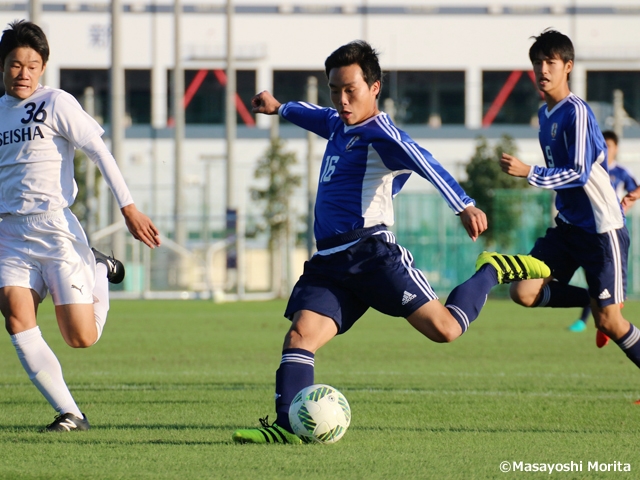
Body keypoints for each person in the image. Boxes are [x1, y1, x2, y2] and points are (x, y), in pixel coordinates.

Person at [231, 40, 549, 444]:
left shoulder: (382, 133)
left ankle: (492, 270)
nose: (342, 100)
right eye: (335, 90)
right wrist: (279, 107)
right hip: (330, 262)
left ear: (374, 87)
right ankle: (286, 426)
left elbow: (423, 160)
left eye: (351, 90)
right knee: (300, 337)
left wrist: (464, 204)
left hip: (371, 256)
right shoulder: (338, 124)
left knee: (446, 330)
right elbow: (315, 115)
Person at [0, 20, 161, 431]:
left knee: (81, 338)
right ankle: (71, 413)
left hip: (55, 229)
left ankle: (98, 269)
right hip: (10, 233)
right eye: (15, 64)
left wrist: (128, 208)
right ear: (2, 67)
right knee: (15, 314)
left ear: (44, 67)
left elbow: (99, 152)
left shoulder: (56, 103)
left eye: (32, 65)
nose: (23, 73)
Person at [499, 29, 640, 378]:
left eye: (550, 62)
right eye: (537, 63)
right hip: (568, 227)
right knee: (524, 291)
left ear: (567, 67)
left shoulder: (577, 112)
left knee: (612, 320)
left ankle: (600, 311)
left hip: (600, 230)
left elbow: (578, 173)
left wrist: (530, 172)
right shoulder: (545, 114)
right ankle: (591, 302)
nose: (543, 70)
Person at [567, 130, 636, 339]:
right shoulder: (591, 169)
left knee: (607, 280)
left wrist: (628, 202)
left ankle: (607, 319)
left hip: (612, 230)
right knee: (594, 279)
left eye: (610, 145)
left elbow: (634, 190)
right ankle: (599, 319)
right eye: (603, 144)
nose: (606, 149)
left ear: (616, 148)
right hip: (587, 229)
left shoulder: (621, 173)